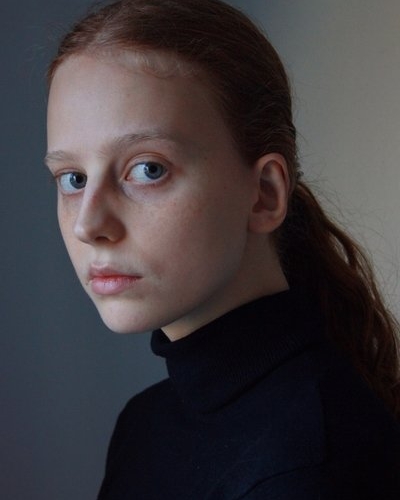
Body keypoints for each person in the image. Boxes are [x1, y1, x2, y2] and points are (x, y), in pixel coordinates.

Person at [45, 0, 400, 498]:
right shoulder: (144, 423)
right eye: (73, 178)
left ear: (265, 194)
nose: (88, 224)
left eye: (148, 169)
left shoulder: (311, 467)